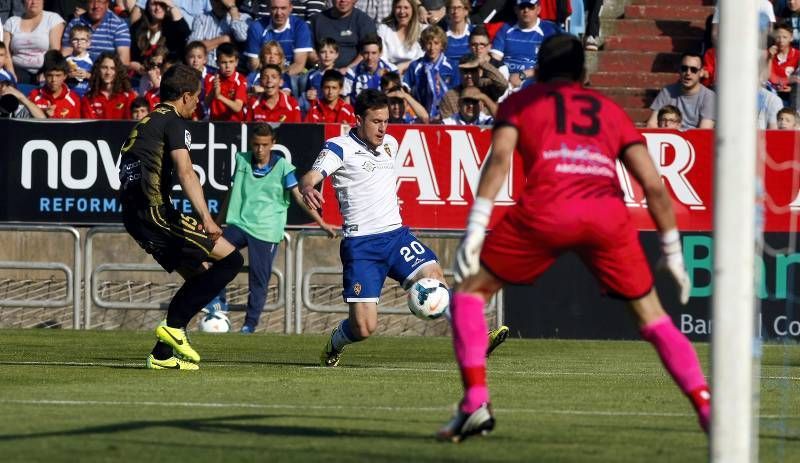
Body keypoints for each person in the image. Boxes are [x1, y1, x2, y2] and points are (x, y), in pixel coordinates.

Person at [436, 34, 710, 442]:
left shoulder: (522, 102)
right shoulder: (611, 111)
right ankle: (709, 412)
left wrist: (476, 224)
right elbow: (653, 185)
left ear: (540, 71)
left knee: (469, 294)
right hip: (606, 216)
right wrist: (671, 249)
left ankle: (475, 402)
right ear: (583, 72)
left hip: (547, 208)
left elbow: (499, 160)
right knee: (654, 317)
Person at [299, 89, 452, 367]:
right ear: (358, 119)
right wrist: (308, 186)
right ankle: (335, 342)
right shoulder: (339, 148)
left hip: (396, 237)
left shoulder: (391, 143)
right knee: (364, 328)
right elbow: (310, 176)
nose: (383, 128)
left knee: (433, 273)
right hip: (362, 246)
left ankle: (473, 337)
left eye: (386, 121)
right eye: (376, 121)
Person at [118, 63, 244, 370]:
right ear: (185, 96)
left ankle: (162, 355)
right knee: (231, 261)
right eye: (197, 98)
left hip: (136, 217)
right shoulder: (173, 122)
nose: (198, 104)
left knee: (199, 277)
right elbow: (187, 172)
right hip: (156, 214)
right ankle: (174, 328)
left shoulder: (146, 121)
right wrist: (207, 218)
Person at [212, 124, 337, 333]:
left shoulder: (283, 168)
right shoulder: (242, 159)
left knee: (258, 279)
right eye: (256, 145)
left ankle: (249, 326)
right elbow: (230, 193)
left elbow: (299, 197)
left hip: (266, 230)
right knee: (211, 253)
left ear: (273, 144)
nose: (259, 149)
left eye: (264, 145)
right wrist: (216, 223)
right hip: (239, 224)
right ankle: (217, 306)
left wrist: (321, 222)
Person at [490, 0, 560, 90]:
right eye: (522, 7)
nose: (526, 10)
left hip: (534, 85)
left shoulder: (549, 30)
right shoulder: (506, 28)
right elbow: (495, 59)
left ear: (538, 9)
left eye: (530, 7)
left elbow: (553, 64)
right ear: (515, 9)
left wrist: (522, 75)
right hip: (505, 82)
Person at [244, 0, 312, 82]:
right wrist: (270, 79)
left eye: (283, 8)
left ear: (290, 8)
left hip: (288, 76)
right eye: (274, 8)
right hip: (264, 76)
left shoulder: (300, 26)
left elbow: (299, 65)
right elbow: (254, 65)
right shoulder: (256, 27)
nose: (279, 13)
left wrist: (277, 79)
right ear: (268, 8)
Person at [403, 25, 459, 121]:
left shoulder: (452, 66)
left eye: (436, 43)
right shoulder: (415, 66)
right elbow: (405, 91)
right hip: (421, 116)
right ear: (423, 45)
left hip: (448, 117)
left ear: (442, 45)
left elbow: (457, 93)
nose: (432, 47)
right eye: (428, 43)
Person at [646, 52, 715, 129]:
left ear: (701, 72)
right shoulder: (667, 91)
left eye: (693, 70)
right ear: (679, 70)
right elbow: (652, 125)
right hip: (669, 138)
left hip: (693, 140)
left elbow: (704, 132)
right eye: (684, 68)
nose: (688, 73)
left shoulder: (709, 97)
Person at [2, 0, 65, 84]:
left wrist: (47, 72)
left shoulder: (53, 19)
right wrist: (11, 74)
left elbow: (54, 50)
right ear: (23, 2)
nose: (34, 2)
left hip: (45, 70)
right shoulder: (12, 22)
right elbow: (6, 52)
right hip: (17, 69)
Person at [310, 0, 377, 71]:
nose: (343, 1)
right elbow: (310, 49)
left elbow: (369, 51)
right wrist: (321, 65)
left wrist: (348, 69)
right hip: (322, 70)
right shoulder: (317, 20)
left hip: (355, 72)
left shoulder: (364, 21)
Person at [128, 0, 191, 75]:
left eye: (162, 4)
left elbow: (185, 33)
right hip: (140, 77)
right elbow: (130, 55)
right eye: (154, 4)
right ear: (148, 6)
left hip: (166, 77)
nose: (158, 8)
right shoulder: (138, 27)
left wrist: (172, 6)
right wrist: (137, 67)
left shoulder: (173, 28)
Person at [61, 0, 131, 65]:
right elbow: (66, 52)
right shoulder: (74, 23)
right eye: (92, 1)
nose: (96, 6)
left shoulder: (119, 25)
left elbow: (124, 61)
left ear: (107, 4)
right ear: (87, 3)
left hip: (105, 74)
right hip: (78, 72)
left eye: (100, 1)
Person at [187, 0, 250, 70]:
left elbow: (242, 37)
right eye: (218, 1)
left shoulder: (244, 18)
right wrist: (224, 39)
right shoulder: (201, 18)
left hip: (231, 71)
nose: (221, 4)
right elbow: (191, 48)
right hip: (206, 68)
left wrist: (232, 9)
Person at [438, 52, 505, 119]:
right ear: (460, 72)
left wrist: (482, 63)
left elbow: (503, 84)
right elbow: (446, 125)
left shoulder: (487, 86)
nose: (469, 76)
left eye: (473, 71)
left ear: (479, 72)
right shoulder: (450, 96)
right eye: (465, 72)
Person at [81, 51, 137, 119]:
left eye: (112, 68)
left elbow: (131, 125)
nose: (108, 72)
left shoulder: (128, 96)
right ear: (98, 70)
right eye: (104, 68)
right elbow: (88, 127)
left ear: (118, 71)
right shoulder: (88, 98)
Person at [29, 50, 81, 118]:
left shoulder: (74, 99)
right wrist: (43, 113)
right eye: (50, 75)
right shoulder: (34, 95)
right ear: (44, 75)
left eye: (58, 75)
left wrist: (53, 117)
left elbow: (76, 127)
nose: (53, 80)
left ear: (65, 76)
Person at [377, 0, 424, 74]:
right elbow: (382, 58)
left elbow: (422, 58)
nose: (402, 11)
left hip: (415, 74)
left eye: (406, 8)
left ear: (413, 10)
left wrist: (404, 66)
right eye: (398, 7)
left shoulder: (422, 30)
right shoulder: (384, 29)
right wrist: (396, 70)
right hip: (390, 75)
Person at [345, 33, 396, 101]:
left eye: (374, 53)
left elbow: (397, 97)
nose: (370, 57)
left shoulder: (392, 70)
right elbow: (346, 100)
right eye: (366, 53)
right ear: (361, 53)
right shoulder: (351, 73)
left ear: (380, 53)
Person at [204, 41, 246, 121]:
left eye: (231, 62)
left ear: (236, 62)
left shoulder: (240, 79)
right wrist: (213, 91)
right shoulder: (210, 78)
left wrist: (219, 96)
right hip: (215, 123)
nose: (227, 66)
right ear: (217, 63)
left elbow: (237, 107)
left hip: (235, 125)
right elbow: (206, 103)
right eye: (223, 62)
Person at [767, 23, 799, 105]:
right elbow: (766, 76)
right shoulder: (769, 53)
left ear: (791, 38)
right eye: (778, 37)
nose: (781, 40)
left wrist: (793, 89)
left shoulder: (798, 55)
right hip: (772, 94)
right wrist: (770, 58)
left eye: (785, 37)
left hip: (793, 96)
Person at [65, 24, 93, 96]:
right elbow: (59, 76)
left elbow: (99, 77)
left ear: (89, 43)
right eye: (75, 39)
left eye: (83, 39)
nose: (79, 42)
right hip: (69, 97)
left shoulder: (93, 60)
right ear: (70, 42)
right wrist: (68, 75)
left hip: (87, 97)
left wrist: (87, 75)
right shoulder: (66, 60)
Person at [443, 0, 472, 65]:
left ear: (466, 11)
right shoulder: (441, 34)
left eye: (459, 7)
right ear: (448, 12)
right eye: (452, 8)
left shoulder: (474, 32)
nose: (455, 11)